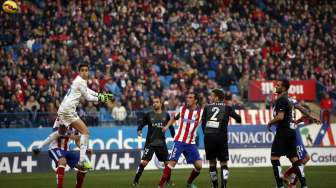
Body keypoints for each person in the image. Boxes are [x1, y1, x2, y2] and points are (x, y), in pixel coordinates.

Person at [56, 63, 113, 170]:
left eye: (86, 70)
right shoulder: (79, 81)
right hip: (68, 111)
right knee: (85, 132)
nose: (85, 72)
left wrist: (100, 95)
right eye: (82, 70)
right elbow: (87, 97)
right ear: (79, 72)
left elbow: (88, 91)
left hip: (64, 110)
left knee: (61, 133)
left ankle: (58, 153)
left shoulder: (80, 81)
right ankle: (81, 160)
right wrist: (103, 98)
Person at [267, 78, 307, 188]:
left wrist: (270, 122)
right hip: (291, 132)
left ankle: (280, 185)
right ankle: (304, 185)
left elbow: (280, 117)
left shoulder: (281, 99)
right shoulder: (287, 100)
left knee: (274, 158)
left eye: (278, 85)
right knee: (295, 159)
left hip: (283, 131)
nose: (276, 86)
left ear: (284, 88)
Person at [158, 92, 203, 188]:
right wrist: (166, 127)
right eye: (187, 97)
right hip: (179, 140)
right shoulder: (182, 109)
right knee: (171, 163)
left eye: (190, 97)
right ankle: (160, 185)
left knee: (199, 166)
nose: (188, 99)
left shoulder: (201, 112)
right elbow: (174, 118)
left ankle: (189, 183)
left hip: (191, 142)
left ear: (195, 100)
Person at [33, 119, 91, 188]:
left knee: (84, 167)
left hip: (67, 150)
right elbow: (55, 134)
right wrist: (40, 147)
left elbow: (77, 140)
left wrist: (85, 148)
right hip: (55, 148)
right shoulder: (59, 120)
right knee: (62, 161)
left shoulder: (75, 124)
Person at [202, 89, 241, 188]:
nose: (210, 97)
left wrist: (207, 133)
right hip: (221, 137)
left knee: (212, 162)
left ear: (217, 97)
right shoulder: (227, 108)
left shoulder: (207, 107)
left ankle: (215, 186)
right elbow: (238, 118)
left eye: (212, 96)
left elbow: (203, 124)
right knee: (223, 162)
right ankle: (223, 185)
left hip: (209, 137)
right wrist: (237, 120)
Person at [132, 96, 175, 187]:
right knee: (144, 163)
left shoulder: (166, 115)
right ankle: (135, 181)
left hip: (161, 143)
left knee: (167, 163)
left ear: (160, 104)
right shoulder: (148, 115)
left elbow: (170, 126)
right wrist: (139, 130)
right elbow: (142, 124)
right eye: (154, 102)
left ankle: (168, 181)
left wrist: (174, 136)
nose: (154, 103)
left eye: (157, 102)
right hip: (150, 142)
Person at [283, 101, 320, 188]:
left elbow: (297, 120)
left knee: (305, 158)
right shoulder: (283, 106)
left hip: (295, 133)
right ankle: (292, 181)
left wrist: (311, 118)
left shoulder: (290, 106)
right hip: (291, 136)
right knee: (299, 161)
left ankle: (290, 178)